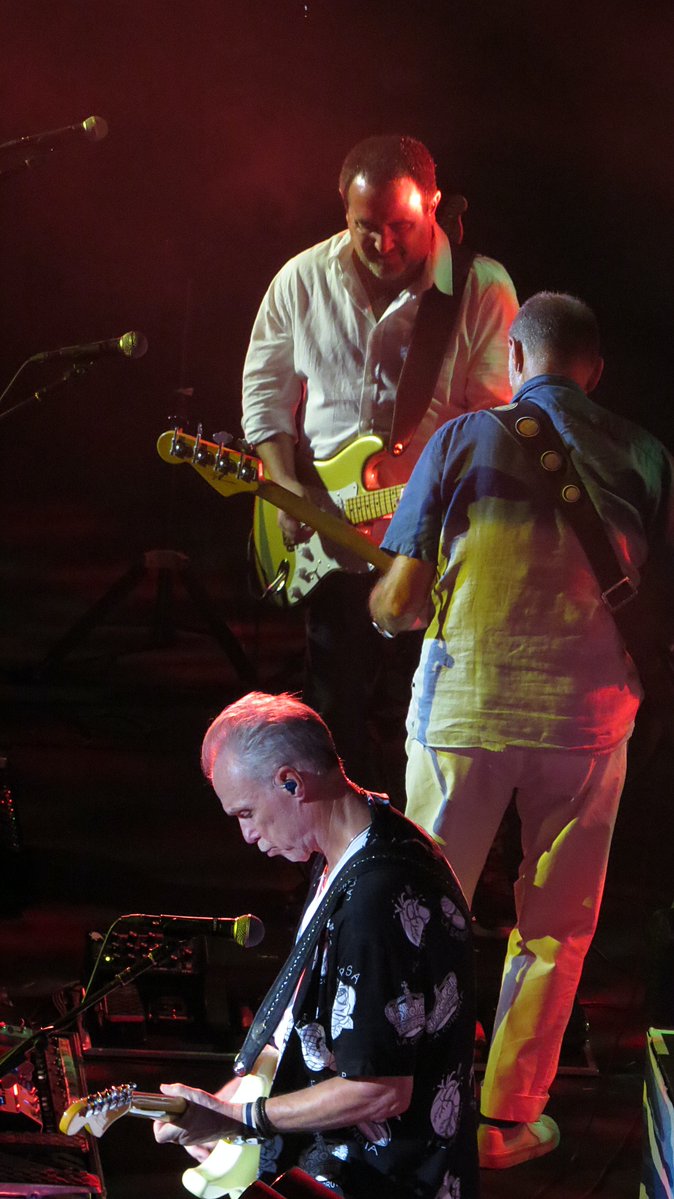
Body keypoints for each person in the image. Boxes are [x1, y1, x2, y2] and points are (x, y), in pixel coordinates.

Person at [368, 293, 674, 1168]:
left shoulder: (462, 438)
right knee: (556, 924)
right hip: (588, 721)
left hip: (464, 714)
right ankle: (506, 1121)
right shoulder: (648, 456)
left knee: (419, 910)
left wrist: (385, 604)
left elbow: (398, 601)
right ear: (594, 372)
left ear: (513, 358)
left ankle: (392, 1097)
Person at [241, 134, 518, 801]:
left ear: (433, 204)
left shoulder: (481, 287)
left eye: (401, 226)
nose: (384, 243)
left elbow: (495, 423)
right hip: (330, 536)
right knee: (334, 715)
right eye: (367, 226)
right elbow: (265, 399)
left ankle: (437, 847)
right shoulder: (300, 280)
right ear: (344, 206)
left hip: (439, 545)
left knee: (435, 717)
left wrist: (432, 499)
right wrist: (284, 486)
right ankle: (350, 847)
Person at [153, 691, 478, 1198]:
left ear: (291, 782)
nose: (246, 834)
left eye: (246, 812)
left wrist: (243, 1117)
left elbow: (379, 1088)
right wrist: (231, 1102)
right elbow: (307, 1025)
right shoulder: (353, 849)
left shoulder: (377, 897)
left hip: (383, 1182)